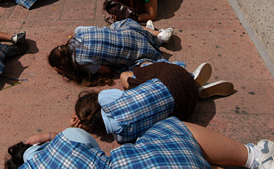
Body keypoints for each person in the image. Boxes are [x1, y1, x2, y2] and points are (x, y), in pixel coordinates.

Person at [4, 118, 274, 169]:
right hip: (155, 166)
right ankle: (254, 156)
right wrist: (53, 134)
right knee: (170, 133)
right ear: (35, 145)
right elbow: (89, 145)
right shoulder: (65, 139)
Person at [70, 61, 235, 143]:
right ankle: (191, 78)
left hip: (186, 107)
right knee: (130, 75)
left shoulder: (122, 138)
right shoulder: (105, 98)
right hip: (173, 75)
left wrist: (86, 126)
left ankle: (195, 90)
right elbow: (121, 93)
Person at [48, 18, 174, 86]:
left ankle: (167, 68)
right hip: (132, 33)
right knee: (123, 23)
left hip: (139, 54)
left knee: (131, 68)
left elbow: (106, 70)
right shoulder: (78, 31)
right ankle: (157, 34)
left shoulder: (80, 62)